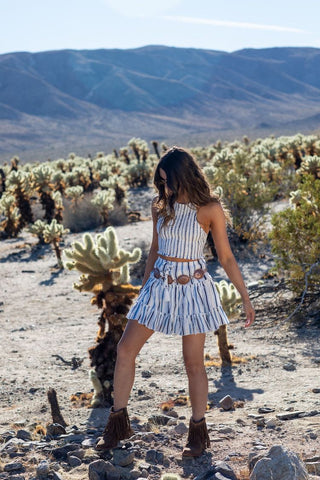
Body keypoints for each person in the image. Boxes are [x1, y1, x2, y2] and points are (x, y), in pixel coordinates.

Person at [96, 146, 255, 457]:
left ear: (185, 176)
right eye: (162, 181)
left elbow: (225, 256)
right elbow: (155, 249)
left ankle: (198, 433)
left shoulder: (209, 208)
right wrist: (144, 290)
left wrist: (245, 298)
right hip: (159, 284)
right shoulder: (160, 206)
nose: (165, 187)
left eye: (169, 181)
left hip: (193, 287)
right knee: (125, 349)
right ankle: (117, 426)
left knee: (194, 364)